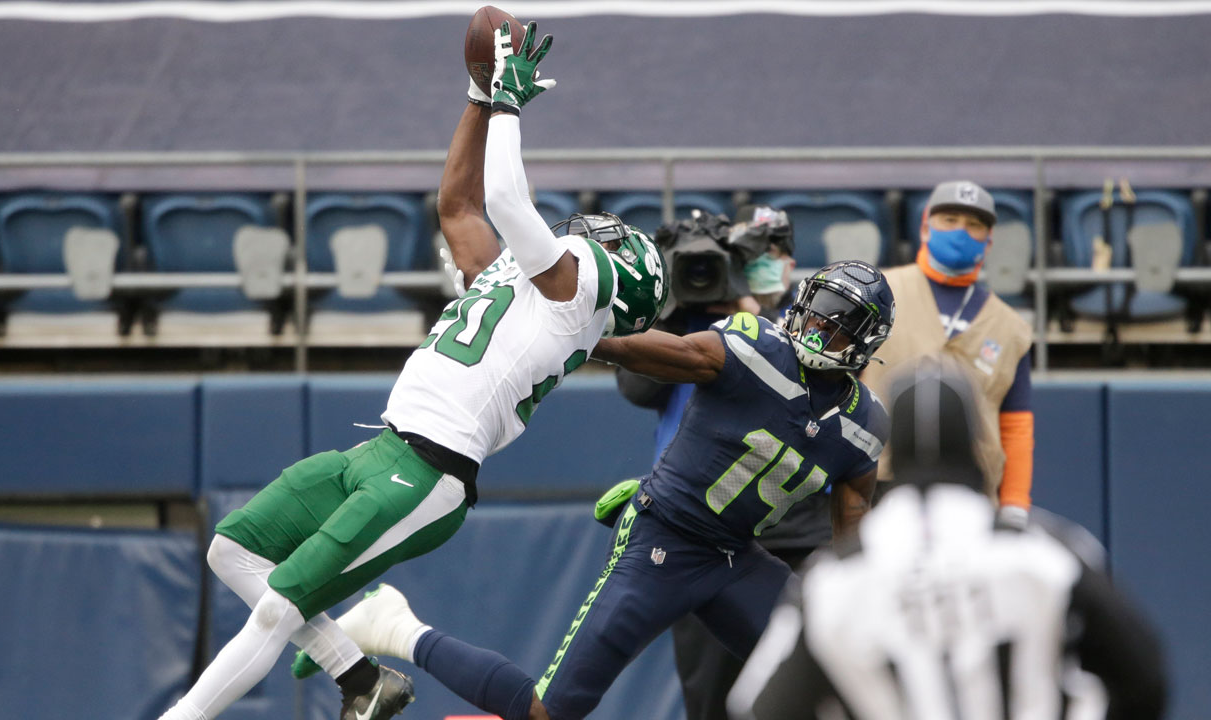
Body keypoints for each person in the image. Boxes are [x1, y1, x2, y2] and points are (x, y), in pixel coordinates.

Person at [155, 20, 669, 720]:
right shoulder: (522, 283)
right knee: (231, 551)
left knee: (277, 610)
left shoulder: (578, 298)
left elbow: (508, 202)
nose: (593, 232)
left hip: (427, 475)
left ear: (621, 277)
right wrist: (478, 95)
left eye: (612, 241)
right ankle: (360, 678)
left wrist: (510, 106)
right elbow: (458, 206)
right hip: (381, 448)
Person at [302, 259, 896, 720]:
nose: (819, 326)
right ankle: (396, 628)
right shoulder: (756, 348)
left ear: (867, 342)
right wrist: (563, 330)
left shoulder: (865, 425)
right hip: (666, 539)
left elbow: (854, 529)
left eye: (840, 324)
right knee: (549, 711)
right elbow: (661, 351)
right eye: (818, 310)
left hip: (737, 557)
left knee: (844, 675)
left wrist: (855, 601)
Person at [727, 356, 1168, 720]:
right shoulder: (1050, 554)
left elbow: (758, 707)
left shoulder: (831, 581)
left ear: (892, 444)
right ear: (976, 443)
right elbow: (1146, 679)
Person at [614, 206, 819, 720]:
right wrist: (671, 305)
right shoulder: (688, 328)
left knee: (803, 687)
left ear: (789, 263)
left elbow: (808, 390)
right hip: (702, 528)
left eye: (770, 255)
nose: (761, 266)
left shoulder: (810, 322)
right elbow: (636, 386)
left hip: (797, 527)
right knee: (710, 692)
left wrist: (751, 306)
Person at [860, 180, 1035, 525]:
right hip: (873, 484)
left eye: (974, 225)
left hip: (970, 494)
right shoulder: (874, 291)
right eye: (950, 219)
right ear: (925, 226)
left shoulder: (1011, 327)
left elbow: (1016, 426)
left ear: (989, 240)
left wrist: (1014, 503)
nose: (961, 231)